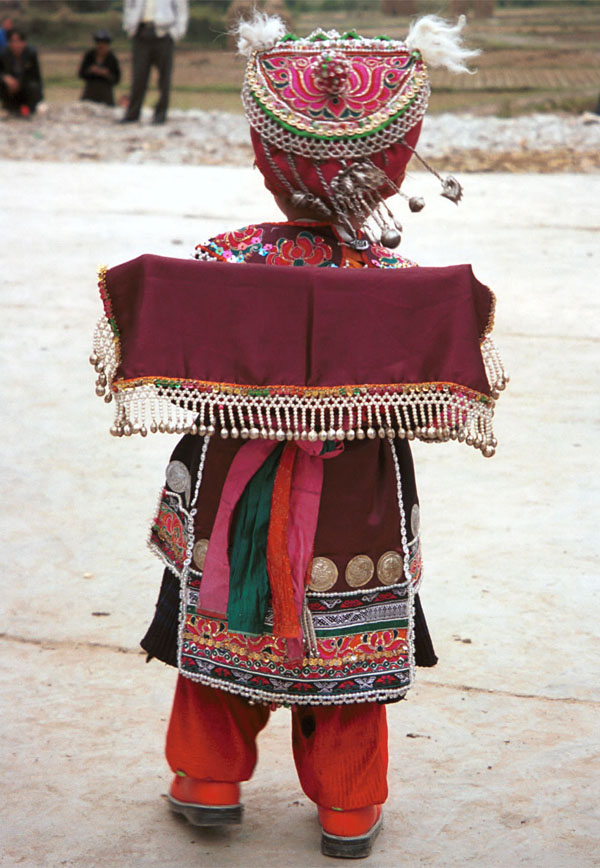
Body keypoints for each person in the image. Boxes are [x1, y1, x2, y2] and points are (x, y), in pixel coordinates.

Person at [91, 12, 507, 860]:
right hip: (356, 496)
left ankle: (207, 781)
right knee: (344, 634)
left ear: (268, 159)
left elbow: (140, 314)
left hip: (229, 485)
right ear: (390, 166)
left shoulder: (220, 263)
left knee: (219, 618)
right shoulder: (395, 282)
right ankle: (349, 806)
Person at [120, 0, 188, 124]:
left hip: (164, 33)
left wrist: (176, 33)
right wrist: (128, 26)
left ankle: (160, 114)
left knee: (164, 78)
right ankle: (132, 113)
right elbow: (129, 5)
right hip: (141, 31)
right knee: (138, 76)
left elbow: (181, 9)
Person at [0, 28, 43, 117]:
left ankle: (29, 107)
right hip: (9, 88)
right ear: (9, 43)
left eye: (18, 41)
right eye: (13, 41)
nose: (16, 45)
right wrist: (5, 78)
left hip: (26, 85)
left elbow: (35, 75)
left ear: (24, 43)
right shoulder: (4, 54)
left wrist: (19, 83)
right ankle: (9, 107)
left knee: (33, 86)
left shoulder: (31, 54)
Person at [78, 29, 121, 107]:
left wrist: (106, 74)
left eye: (104, 44)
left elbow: (117, 79)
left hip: (106, 94)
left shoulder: (112, 58)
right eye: (99, 43)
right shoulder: (89, 56)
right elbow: (81, 74)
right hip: (90, 92)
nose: (101, 46)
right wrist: (90, 71)